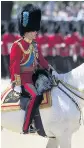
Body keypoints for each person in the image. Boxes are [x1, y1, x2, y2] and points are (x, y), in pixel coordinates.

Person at [10, 4, 51, 134]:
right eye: (34, 30)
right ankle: (26, 126)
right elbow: (14, 65)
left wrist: (50, 69)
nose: (36, 32)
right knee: (35, 95)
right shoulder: (17, 45)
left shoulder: (34, 45)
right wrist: (16, 82)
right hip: (24, 80)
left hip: (34, 76)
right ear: (27, 31)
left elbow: (41, 60)